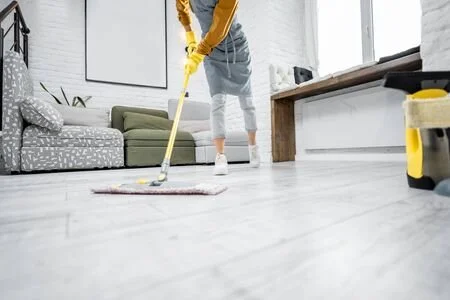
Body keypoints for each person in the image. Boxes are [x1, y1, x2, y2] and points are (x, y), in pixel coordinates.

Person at [176, 0, 260, 175]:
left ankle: (253, 146)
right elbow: (182, 7)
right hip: (211, 52)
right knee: (218, 101)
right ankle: (220, 156)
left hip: (236, 48)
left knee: (247, 102)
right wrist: (190, 37)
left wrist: (199, 53)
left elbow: (221, 24)